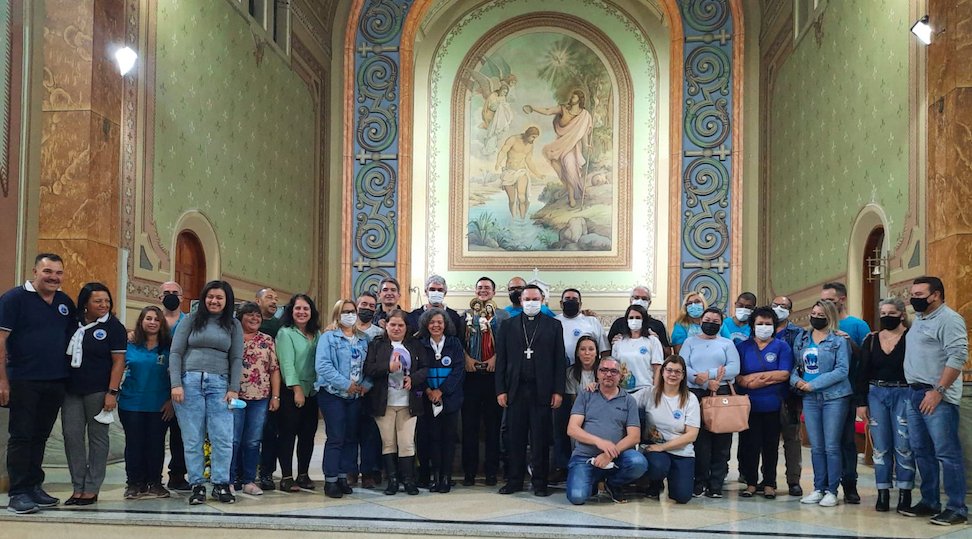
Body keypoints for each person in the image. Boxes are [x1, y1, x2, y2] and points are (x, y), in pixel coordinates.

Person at [0, 254, 76, 514]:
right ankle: (18, 492)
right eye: (47, 271)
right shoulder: (13, 299)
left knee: (40, 436)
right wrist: (2, 379)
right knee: (21, 436)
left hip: (55, 380)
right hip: (23, 379)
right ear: (35, 271)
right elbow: (1, 340)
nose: (53, 277)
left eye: (58, 272)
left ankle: (34, 486)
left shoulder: (64, 302)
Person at [899, 276, 968, 526]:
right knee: (921, 450)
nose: (913, 299)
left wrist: (938, 391)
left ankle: (957, 508)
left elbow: (958, 356)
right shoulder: (920, 319)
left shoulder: (949, 319)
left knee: (947, 453)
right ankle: (929, 501)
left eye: (919, 295)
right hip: (915, 393)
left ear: (936, 295)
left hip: (936, 396)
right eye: (912, 294)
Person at [169, 280, 244, 505]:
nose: (214, 301)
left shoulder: (233, 324)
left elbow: (236, 358)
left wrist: (233, 388)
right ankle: (197, 485)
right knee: (192, 437)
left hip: (220, 385)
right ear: (204, 298)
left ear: (227, 301)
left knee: (223, 437)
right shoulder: (191, 320)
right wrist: (175, 384)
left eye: (219, 297)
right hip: (189, 383)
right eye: (210, 296)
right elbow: (175, 352)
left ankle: (221, 484)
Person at [495, 284, 566, 497]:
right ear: (521, 300)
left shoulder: (554, 325)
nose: (531, 303)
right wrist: (500, 390)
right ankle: (514, 480)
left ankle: (540, 483)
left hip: (542, 390)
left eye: (535, 299)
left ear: (542, 300)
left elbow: (559, 360)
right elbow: (501, 360)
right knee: (514, 438)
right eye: (527, 299)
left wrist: (558, 391)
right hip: (515, 390)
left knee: (540, 439)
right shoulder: (508, 325)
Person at [62, 282, 127, 506]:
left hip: (99, 390)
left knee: (98, 439)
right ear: (85, 303)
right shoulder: (73, 323)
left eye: (107, 301)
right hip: (71, 390)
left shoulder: (113, 327)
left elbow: (119, 362)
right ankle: (77, 485)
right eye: (98, 301)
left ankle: (91, 487)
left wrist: (112, 392)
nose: (103, 305)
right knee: (72, 437)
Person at [853, 297, 913, 513]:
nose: (887, 317)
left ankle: (905, 491)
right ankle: (883, 491)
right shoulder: (871, 339)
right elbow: (863, 371)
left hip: (904, 392)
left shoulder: (910, 337)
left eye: (892, 313)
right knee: (881, 446)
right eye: (883, 314)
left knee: (904, 444)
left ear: (902, 315)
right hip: (876, 393)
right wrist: (861, 402)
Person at [791, 300, 852, 508]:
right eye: (814, 313)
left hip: (834, 397)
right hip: (809, 398)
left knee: (831, 446)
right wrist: (797, 382)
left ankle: (832, 491)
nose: (816, 317)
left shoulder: (839, 340)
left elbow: (842, 370)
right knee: (816, 446)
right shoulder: (802, 338)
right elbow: (796, 366)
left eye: (821, 315)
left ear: (830, 316)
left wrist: (814, 384)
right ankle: (818, 488)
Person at [364, 309, 429, 495]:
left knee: (407, 442)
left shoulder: (415, 345)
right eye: (393, 324)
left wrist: (413, 379)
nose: (396, 328)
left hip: (409, 403)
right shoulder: (377, 344)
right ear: (386, 325)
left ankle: (408, 480)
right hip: (384, 402)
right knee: (389, 443)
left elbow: (425, 368)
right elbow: (369, 368)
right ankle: (392, 481)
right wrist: (388, 367)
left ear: (406, 327)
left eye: (400, 325)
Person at [565, 357, 646, 505]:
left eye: (614, 371)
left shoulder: (629, 401)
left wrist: (609, 454)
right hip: (585, 457)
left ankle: (613, 483)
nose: (608, 374)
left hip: (616, 457)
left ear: (620, 376)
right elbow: (572, 429)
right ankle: (593, 481)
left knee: (638, 462)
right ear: (597, 373)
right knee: (577, 497)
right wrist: (600, 442)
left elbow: (634, 437)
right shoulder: (585, 394)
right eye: (604, 370)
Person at [680, 307, 739, 498]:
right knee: (700, 441)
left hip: (721, 393)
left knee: (721, 440)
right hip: (695, 394)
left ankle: (716, 484)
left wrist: (710, 375)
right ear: (700, 321)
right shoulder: (690, 342)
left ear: (721, 324)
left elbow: (734, 368)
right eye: (707, 320)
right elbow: (683, 366)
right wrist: (702, 380)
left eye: (715, 321)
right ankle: (699, 481)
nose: (710, 324)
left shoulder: (727, 343)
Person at [316, 299, 372, 498]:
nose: (350, 315)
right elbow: (323, 366)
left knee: (350, 438)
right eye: (345, 311)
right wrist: (345, 384)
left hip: (355, 395)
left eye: (352, 311)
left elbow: (370, 366)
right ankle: (330, 480)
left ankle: (342, 477)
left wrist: (365, 385)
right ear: (337, 314)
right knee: (336, 437)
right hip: (333, 394)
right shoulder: (328, 337)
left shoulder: (363, 339)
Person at [735, 307, 793, 500]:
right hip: (749, 406)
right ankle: (751, 483)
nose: (764, 327)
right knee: (750, 445)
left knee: (770, 446)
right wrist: (751, 381)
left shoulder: (782, 347)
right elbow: (739, 377)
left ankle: (769, 483)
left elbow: (783, 374)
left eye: (768, 324)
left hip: (773, 405)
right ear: (753, 325)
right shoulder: (743, 347)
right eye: (760, 323)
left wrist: (755, 380)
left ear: (774, 326)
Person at [820, 282, 870, 503]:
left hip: (848, 390)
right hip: (822, 391)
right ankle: (824, 485)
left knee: (846, 441)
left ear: (842, 300)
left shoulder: (857, 326)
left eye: (830, 301)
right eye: (823, 301)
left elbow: (867, 358)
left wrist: (850, 343)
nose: (826, 305)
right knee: (824, 443)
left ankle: (850, 485)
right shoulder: (819, 325)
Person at [119, 306, 173, 500]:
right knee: (134, 444)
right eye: (148, 318)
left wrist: (171, 402)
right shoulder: (130, 345)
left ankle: (155, 483)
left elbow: (177, 376)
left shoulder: (169, 348)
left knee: (156, 445)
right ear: (141, 321)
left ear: (162, 323)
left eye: (156, 319)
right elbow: (117, 369)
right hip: (131, 404)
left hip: (160, 405)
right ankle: (134, 484)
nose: (152, 322)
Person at [461, 276, 508, 486]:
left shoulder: (503, 316)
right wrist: (466, 358)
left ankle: (491, 472)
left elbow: (508, 343)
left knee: (493, 427)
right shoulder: (465, 315)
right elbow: (459, 341)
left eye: (487, 288)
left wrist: (496, 357)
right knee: (469, 427)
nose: (483, 290)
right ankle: (469, 473)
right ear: (475, 291)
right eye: (480, 287)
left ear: (494, 292)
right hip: (470, 378)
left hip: (493, 378)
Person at [230, 302, 280, 496]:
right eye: (250, 315)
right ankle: (229, 480)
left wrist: (275, 396)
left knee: (252, 441)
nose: (254, 318)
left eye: (257, 315)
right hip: (234, 396)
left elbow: (274, 369)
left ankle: (249, 480)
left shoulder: (267, 340)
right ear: (240, 317)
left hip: (260, 398)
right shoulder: (232, 337)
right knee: (233, 440)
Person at [637, 355, 701, 504]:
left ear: (683, 375)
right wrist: (597, 386)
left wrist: (662, 447)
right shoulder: (649, 393)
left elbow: (692, 435)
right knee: (658, 467)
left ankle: (674, 476)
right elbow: (624, 399)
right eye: (669, 370)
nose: (673, 374)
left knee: (682, 497)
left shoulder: (690, 399)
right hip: (654, 449)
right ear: (662, 372)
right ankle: (653, 482)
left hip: (680, 451)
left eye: (677, 371)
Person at [275, 293, 321, 492]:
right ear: (291, 311)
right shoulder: (285, 333)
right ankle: (286, 477)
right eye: (298, 308)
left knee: (308, 435)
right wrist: (297, 389)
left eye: (306, 309)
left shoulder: (317, 334)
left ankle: (303, 474)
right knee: (288, 434)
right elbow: (286, 364)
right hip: (291, 391)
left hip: (313, 390)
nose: (302, 312)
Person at [417, 308, 465, 492]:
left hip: (450, 399)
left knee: (448, 439)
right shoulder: (421, 344)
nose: (435, 325)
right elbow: (418, 370)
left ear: (445, 325)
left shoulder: (454, 343)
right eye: (432, 322)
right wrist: (428, 390)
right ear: (426, 325)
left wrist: (441, 391)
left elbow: (458, 370)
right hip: (427, 399)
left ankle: (446, 477)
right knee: (432, 439)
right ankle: (435, 477)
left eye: (439, 322)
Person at [524, 90, 594, 208]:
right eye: (572, 96)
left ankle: (572, 196)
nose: (571, 98)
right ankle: (568, 190)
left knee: (570, 168)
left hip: (573, 147)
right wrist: (533, 108)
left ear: (579, 99)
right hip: (560, 145)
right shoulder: (564, 109)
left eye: (574, 97)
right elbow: (548, 111)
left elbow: (583, 133)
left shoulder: (584, 115)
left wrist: (586, 145)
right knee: (560, 169)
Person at [158, 280, 189, 491]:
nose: (171, 296)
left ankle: (178, 475)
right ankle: (152, 476)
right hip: (156, 385)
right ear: (159, 297)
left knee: (181, 436)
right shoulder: (152, 320)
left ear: (182, 297)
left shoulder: (190, 322)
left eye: (175, 292)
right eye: (166, 292)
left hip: (182, 386)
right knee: (155, 436)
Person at [772, 295, 805, 496]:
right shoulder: (761, 329)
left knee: (792, 438)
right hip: (764, 392)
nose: (779, 308)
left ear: (790, 311)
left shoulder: (798, 333)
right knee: (767, 439)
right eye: (775, 305)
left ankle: (794, 480)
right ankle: (767, 479)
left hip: (789, 393)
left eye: (783, 306)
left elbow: (800, 362)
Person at [350, 291, 383, 489]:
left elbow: (379, 362)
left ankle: (368, 472)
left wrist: (366, 385)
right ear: (356, 305)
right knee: (350, 432)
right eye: (364, 304)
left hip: (371, 390)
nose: (367, 308)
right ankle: (350, 470)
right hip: (347, 389)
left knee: (369, 434)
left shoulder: (379, 333)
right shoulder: (344, 329)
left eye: (372, 306)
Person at [611, 304, 664, 393]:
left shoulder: (653, 341)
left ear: (644, 320)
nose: (634, 320)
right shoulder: (618, 342)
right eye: (631, 318)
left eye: (638, 318)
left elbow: (657, 368)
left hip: (646, 389)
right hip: (623, 391)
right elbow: (614, 368)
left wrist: (656, 391)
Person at [494, 127, 544, 219]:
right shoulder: (513, 139)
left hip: (521, 171)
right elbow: (503, 151)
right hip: (509, 172)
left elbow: (529, 161)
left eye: (535, 138)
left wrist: (538, 174)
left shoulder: (530, 145)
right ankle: (513, 219)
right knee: (512, 200)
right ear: (528, 134)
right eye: (533, 137)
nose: (534, 140)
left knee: (522, 198)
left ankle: (522, 219)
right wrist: (498, 162)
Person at [607, 286, 671, 356]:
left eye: (644, 299)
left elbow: (668, 353)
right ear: (630, 300)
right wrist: (613, 343)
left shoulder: (658, 325)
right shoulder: (619, 323)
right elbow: (607, 350)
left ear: (649, 303)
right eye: (636, 298)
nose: (640, 301)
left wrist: (658, 343)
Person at [555, 288, 607, 366]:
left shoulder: (592, 321)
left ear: (580, 304)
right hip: (558, 368)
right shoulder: (553, 322)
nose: (571, 301)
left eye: (574, 299)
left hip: (587, 369)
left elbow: (604, 350)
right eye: (567, 299)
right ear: (561, 303)